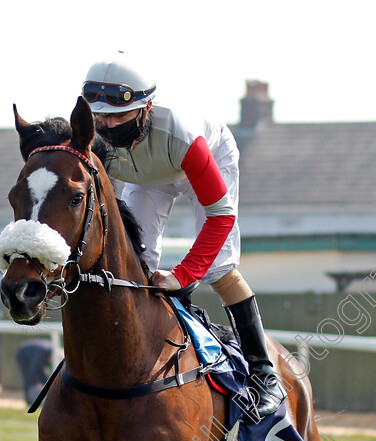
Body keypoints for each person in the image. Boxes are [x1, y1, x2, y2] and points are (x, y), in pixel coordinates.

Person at [82, 53, 286, 418]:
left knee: (219, 268)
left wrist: (184, 275)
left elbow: (221, 216)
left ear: (145, 108)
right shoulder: (96, 137)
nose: (108, 126)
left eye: (118, 116)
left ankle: (264, 374)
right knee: (135, 263)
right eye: (100, 117)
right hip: (147, 177)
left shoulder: (182, 135)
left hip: (203, 159)